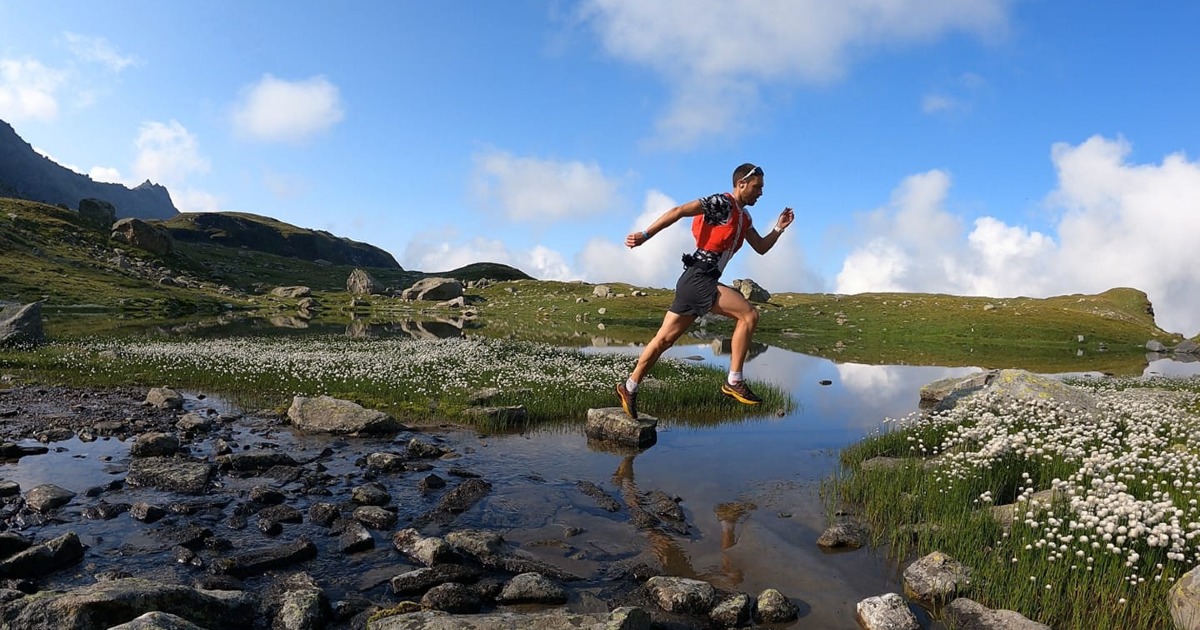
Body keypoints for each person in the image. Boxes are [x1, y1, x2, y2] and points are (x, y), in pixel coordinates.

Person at [616, 163, 794, 419]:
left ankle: (629, 386)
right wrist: (645, 235)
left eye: (762, 188)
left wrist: (778, 228)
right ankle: (734, 380)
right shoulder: (721, 203)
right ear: (741, 184)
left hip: (695, 281)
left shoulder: (745, 218)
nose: (761, 193)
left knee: (664, 341)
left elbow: (761, 247)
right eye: (757, 187)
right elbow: (679, 211)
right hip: (699, 277)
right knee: (749, 315)